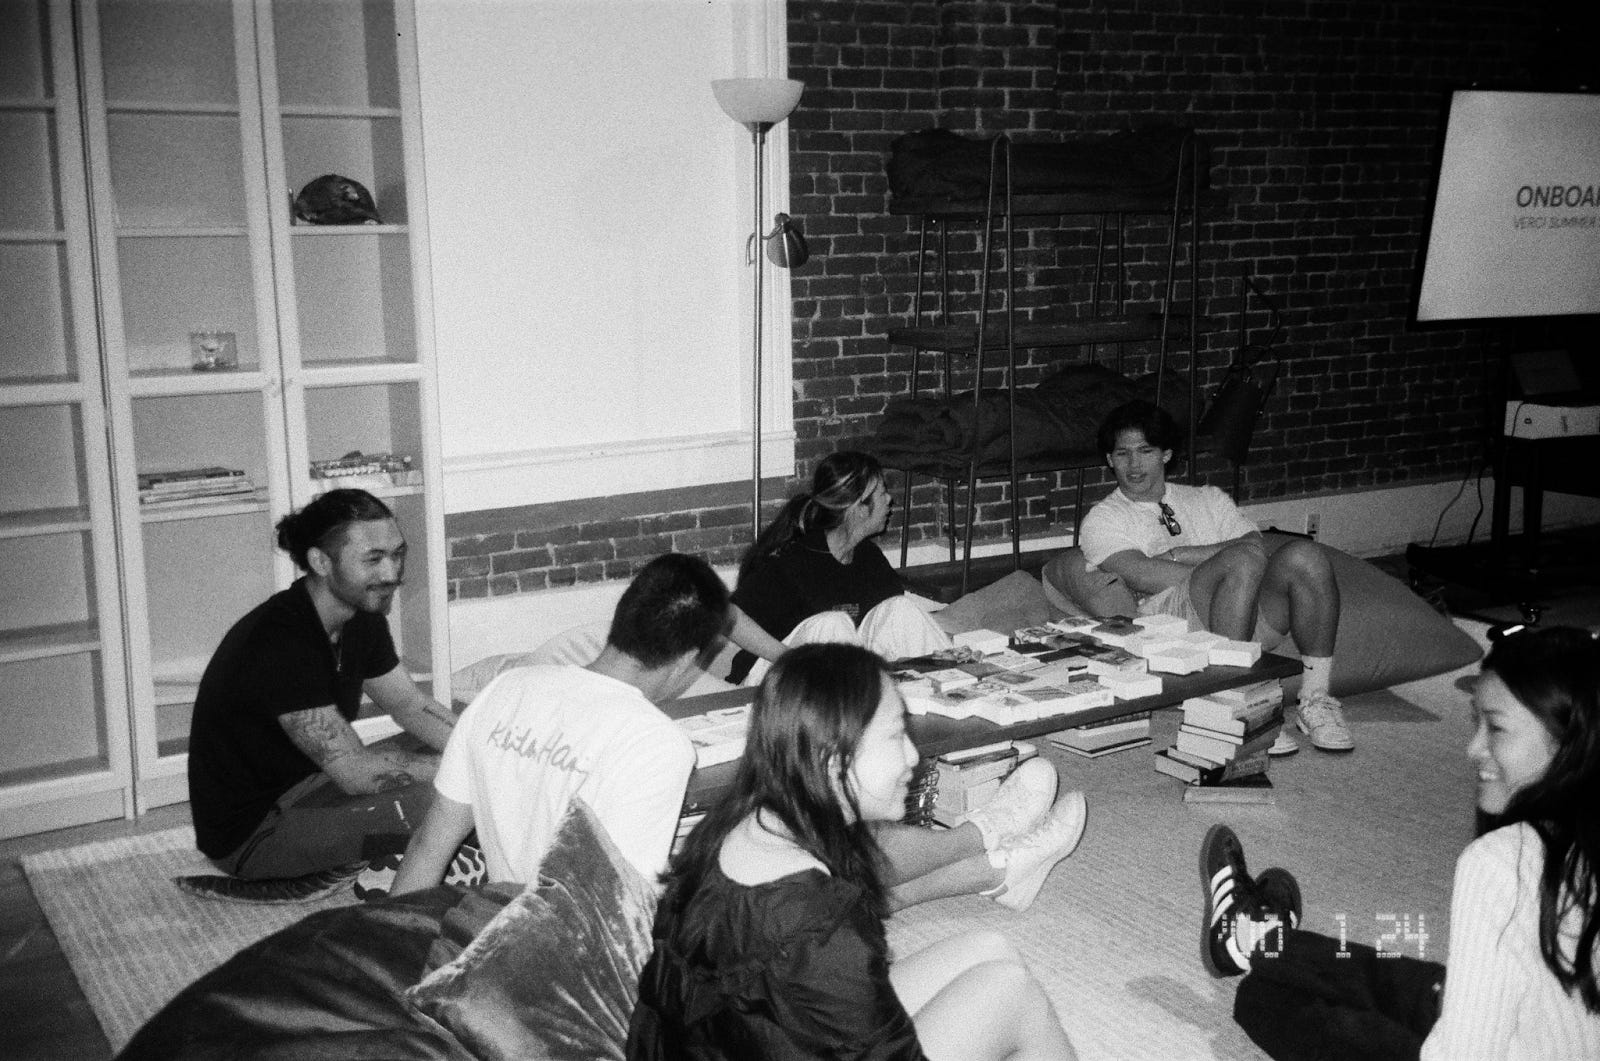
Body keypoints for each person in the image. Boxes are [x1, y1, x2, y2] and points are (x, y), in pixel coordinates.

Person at [627, 642, 1082, 1060]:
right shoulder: (818, 918)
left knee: (989, 948)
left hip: (740, 1041)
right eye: (895, 736)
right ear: (834, 761)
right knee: (1013, 993)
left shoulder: (741, 821)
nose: (914, 756)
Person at [1200, 625, 1600, 1060]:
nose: (1472, 748)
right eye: (1477, 723)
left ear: (1569, 738)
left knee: (1264, 1000)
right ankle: (1253, 939)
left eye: (1497, 728)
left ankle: (1252, 945)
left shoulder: (1501, 862)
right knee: (1396, 977)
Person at [390, 553, 730, 895]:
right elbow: (623, 903)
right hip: (569, 927)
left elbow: (427, 845)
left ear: (622, 618)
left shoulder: (505, 689)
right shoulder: (658, 742)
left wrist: (390, 925)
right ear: (687, 659)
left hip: (500, 916)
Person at [182, 489, 458, 897]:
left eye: (397, 554)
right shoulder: (280, 642)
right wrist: (471, 771)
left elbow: (410, 705)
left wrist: (485, 748)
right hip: (255, 835)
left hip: (312, 786)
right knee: (444, 802)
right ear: (321, 562)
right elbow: (358, 773)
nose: (392, 573)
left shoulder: (360, 616)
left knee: (468, 735)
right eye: (373, 559)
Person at [1047, 400, 1350, 753]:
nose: (1134, 464)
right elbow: (1143, 574)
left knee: (1306, 555)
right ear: (1110, 460)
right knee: (1241, 561)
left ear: (1166, 454)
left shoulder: (1207, 498)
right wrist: (1230, 568)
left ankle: (1315, 697)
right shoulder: (1103, 519)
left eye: (1145, 451)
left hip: (1247, 605)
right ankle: (1236, 703)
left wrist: (1184, 554)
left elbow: (1256, 543)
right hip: (1176, 623)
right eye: (1122, 453)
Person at [728, 450, 951, 686]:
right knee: (833, 625)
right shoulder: (792, 559)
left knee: (900, 609)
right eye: (882, 493)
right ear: (858, 507)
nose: (889, 500)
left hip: (837, 680)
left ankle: (955, 682)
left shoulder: (869, 558)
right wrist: (789, 657)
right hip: (775, 678)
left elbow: (889, 634)